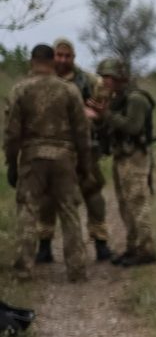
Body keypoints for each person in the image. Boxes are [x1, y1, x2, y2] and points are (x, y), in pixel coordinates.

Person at [6, 43, 91, 282]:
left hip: (32, 157)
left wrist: (12, 163)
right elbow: (82, 131)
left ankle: (23, 270)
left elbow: (12, 133)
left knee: (28, 211)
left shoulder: (20, 90)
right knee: (69, 212)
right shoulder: (69, 90)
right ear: (53, 61)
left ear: (32, 62)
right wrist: (84, 164)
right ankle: (77, 269)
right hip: (64, 157)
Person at [39, 37, 111, 262]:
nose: (62, 60)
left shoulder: (89, 81)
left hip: (84, 148)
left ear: (74, 57)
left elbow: (103, 112)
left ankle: (100, 242)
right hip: (51, 148)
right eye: (59, 55)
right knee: (47, 197)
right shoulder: (42, 80)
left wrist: (96, 115)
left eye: (67, 56)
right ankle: (44, 244)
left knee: (93, 192)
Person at [87, 57, 156, 267]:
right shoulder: (117, 98)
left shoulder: (136, 99)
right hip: (122, 156)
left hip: (135, 156)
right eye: (102, 76)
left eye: (108, 76)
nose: (104, 81)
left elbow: (132, 127)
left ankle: (146, 249)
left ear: (119, 77)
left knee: (137, 203)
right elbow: (110, 128)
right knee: (125, 205)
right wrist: (99, 118)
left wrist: (105, 114)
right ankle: (133, 246)